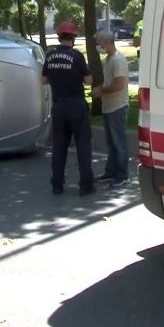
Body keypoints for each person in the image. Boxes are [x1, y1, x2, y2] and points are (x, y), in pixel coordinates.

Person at [42, 21, 94, 196]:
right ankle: (86, 186)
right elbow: (88, 81)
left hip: (59, 106)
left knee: (59, 147)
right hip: (76, 106)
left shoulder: (50, 56)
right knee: (83, 146)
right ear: (73, 37)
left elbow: (43, 80)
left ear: (59, 37)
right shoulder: (77, 56)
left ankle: (57, 184)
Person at [92, 30, 130, 186]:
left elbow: (119, 84)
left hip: (117, 107)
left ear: (106, 42)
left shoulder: (118, 60)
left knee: (119, 143)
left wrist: (101, 91)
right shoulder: (108, 60)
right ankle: (110, 172)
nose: (98, 46)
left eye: (99, 43)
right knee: (111, 143)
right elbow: (110, 82)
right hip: (109, 107)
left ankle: (122, 175)